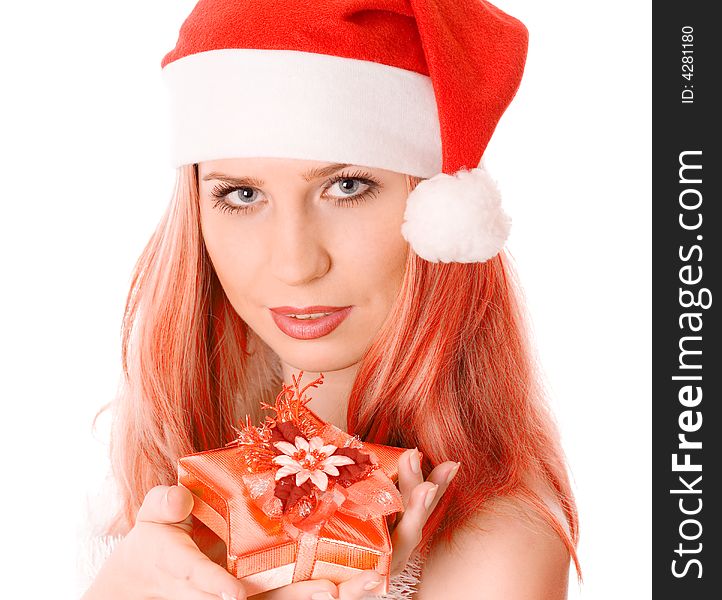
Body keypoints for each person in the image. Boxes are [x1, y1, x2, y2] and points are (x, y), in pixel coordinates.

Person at [79, 1, 582, 598]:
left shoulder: (496, 547)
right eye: (241, 194)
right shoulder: (148, 468)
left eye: (347, 186)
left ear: (434, 211)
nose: (295, 264)